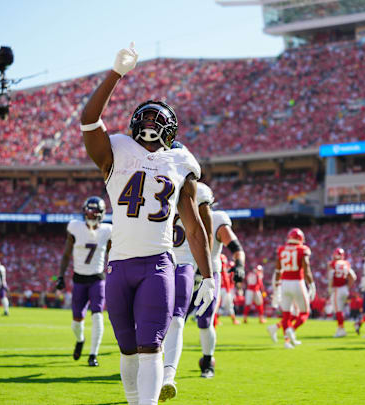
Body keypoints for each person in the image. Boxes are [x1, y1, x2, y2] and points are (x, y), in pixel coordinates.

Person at [80, 43, 215, 405]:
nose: (152, 124)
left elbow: (193, 225)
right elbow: (89, 120)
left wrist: (209, 274)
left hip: (158, 264)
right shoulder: (116, 151)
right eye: (147, 118)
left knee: (150, 348)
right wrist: (115, 74)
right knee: (127, 350)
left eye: (159, 120)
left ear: (169, 129)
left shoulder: (179, 163)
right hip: (120, 265)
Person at [160, 180, 214, 399]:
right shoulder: (156, 180)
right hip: (158, 260)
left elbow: (205, 233)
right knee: (151, 321)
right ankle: (152, 367)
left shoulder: (195, 191)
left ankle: (167, 376)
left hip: (182, 263)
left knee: (176, 319)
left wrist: (204, 269)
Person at [188, 208, 246, 378]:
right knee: (174, 321)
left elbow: (236, 248)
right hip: (183, 273)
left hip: (208, 274)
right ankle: (164, 366)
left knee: (205, 320)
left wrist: (240, 264)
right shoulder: (177, 214)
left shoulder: (216, 218)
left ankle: (207, 361)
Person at [56, 196, 112, 366]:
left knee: (97, 316)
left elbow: (113, 255)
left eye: (95, 211)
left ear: (101, 213)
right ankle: (80, 340)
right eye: (89, 211)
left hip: (97, 278)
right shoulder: (75, 227)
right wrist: (60, 276)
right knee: (76, 322)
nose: (91, 214)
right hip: (79, 279)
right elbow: (66, 254)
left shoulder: (108, 230)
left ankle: (93, 354)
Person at [271, 228, 314, 349]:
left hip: (284, 283)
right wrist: (311, 284)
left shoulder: (281, 249)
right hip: (297, 282)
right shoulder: (302, 249)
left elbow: (278, 270)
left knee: (286, 315)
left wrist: (276, 287)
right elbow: (306, 269)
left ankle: (287, 342)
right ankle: (292, 330)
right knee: (304, 312)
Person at [327, 248, 355, 337]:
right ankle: (340, 328)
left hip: (337, 289)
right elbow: (353, 277)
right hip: (344, 289)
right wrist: (348, 287)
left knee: (338, 310)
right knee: (341, 310)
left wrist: (330, 288)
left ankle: (341, 329)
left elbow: (331, 276)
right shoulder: (346, 263)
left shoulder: (332, 264)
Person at [216, 255, 239, 325]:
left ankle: (234, 320)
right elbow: (231, 281)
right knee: (225, 306)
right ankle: (215, 320)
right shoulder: (230, 272)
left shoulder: (222, 269)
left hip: (222, 288)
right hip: (227, 289)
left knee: (227, 306)